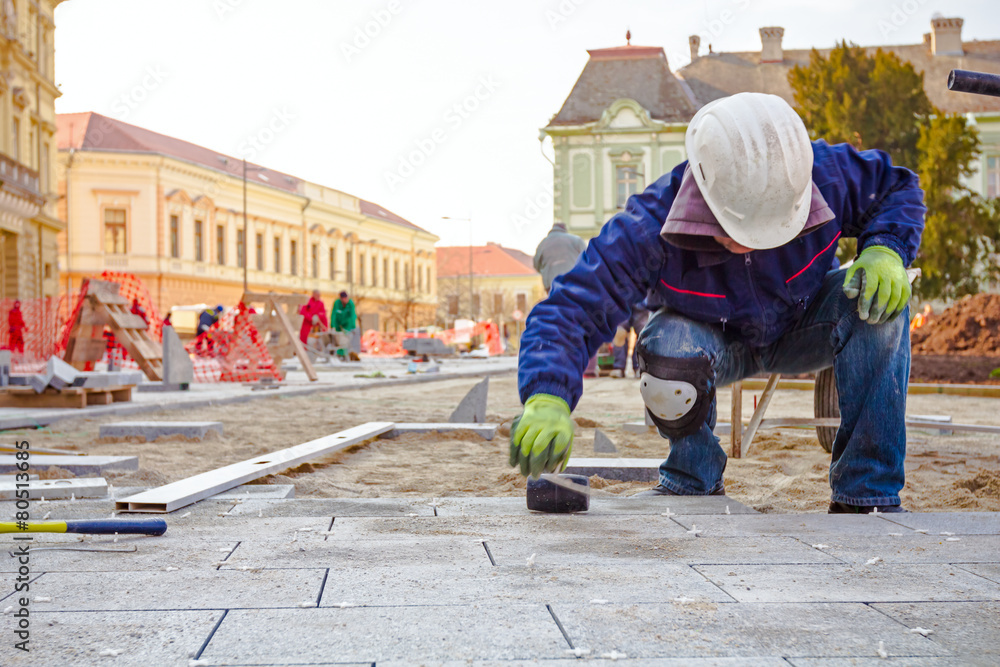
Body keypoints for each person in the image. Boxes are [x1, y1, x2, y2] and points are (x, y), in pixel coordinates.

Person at [510, 93, 924, 514]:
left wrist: (887, 249)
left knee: (880, 308)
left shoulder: (824, 172)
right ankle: (693, 480)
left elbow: (897, 187)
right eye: (740, 231)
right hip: (714, 343)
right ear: (705, 193)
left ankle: (866, 494)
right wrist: (548, 397)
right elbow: (573, 308)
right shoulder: (649, 224)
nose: (758, 243)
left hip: (805, 323)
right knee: (666, 346)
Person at [534, 222, 587, 293]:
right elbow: (588, 260)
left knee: (556, 303)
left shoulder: (542, 244)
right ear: (564, 229)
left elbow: (536, 265)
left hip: (551, 284)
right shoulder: (576, 240)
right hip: (573, 281)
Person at [331, 291, 359, 360]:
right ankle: (340, 353)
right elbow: (333, 315)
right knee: (340, 340)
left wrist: (353, 327)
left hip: (347, 325)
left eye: (346, 298)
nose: (345, 300)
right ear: (340, 298)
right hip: (338, 324)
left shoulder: (351, 304)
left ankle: (343, 354)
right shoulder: (337, 303)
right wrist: (333, 326)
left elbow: (353, 315)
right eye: (343, 298)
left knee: (345, 340)